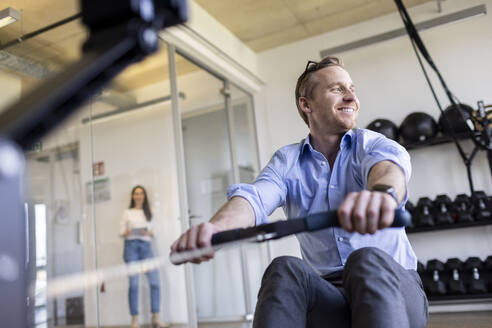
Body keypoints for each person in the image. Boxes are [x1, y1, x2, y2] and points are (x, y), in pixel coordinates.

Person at [171, 56, 428, 328]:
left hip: (395, 287)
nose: (351, 97)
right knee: (284, 269)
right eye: (337, 89)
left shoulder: (371, 144)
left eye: (352, 89)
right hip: (331, 298)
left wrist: (382, 195)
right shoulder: (287, 161)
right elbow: (254, 199)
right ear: (307, 104)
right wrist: (215, 228)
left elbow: (388, 170)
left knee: (364, 259)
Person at [121, 185, 168, 328]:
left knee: (155, 282)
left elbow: (154, 232)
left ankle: (156, 317)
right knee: (133, 284)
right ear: (132, 196)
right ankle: (134, 319)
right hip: (131, 247)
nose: (138, 196)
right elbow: (122, 232)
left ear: (144, 196)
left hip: (146, 247)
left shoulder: (150, 212)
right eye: (136, 193)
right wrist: (129, 231)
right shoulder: (127, 212)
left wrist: (147, 233)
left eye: (141, 193)